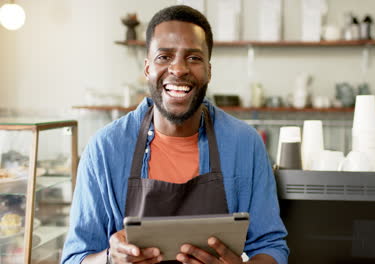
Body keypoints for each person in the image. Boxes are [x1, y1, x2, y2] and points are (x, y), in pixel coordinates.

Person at [61, 5, 288, 264]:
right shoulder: (104, 149)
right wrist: (111, 259)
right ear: (147, 68)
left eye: (193, 58)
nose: (178, 69)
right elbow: (74, 259)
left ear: (209, 71)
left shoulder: (245, 145)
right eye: (164, 57)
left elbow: (272, 248)